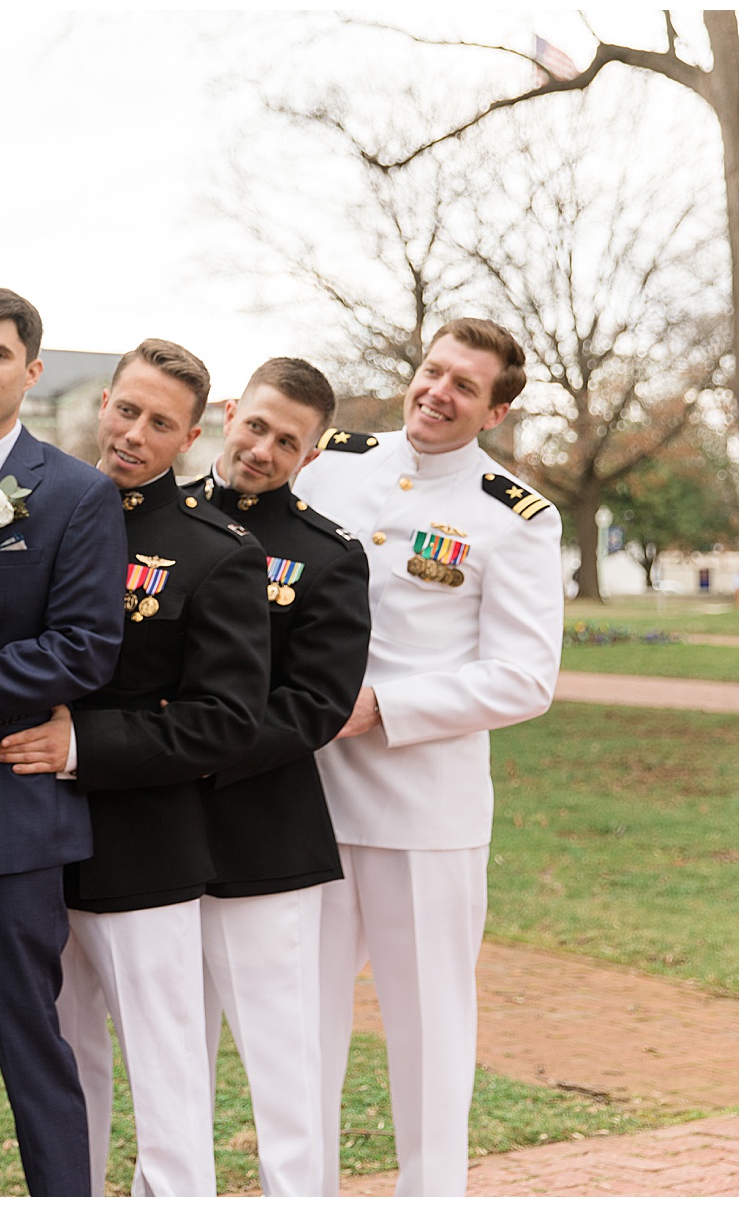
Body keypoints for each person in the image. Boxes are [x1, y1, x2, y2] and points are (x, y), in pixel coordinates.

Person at [296, 318, 562, 1196]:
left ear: (497, 409)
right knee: (301, 1021)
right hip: (311, 795)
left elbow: (525, 678)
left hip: (424, 808)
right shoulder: (331, 463)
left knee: (428, 1031)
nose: (437, 393)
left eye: (464, 386)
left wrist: (386, 707)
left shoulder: (514, 517)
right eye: (432, 371)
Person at [7, 338, 269, 1196]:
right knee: (63, 1064)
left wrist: (81, 743)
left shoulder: (214, 549)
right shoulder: (27, 507)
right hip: (30, 842)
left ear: (191, 438)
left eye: (162, 423)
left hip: (143, 849)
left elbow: (226, 720)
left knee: (166, 1072)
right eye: (127, 409)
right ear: (104, 401)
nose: (134, 434)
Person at [0, 288, 125, 1196]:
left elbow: (87, 645)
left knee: (30, 1047)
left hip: (9, 810)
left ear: (30, 372)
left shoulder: (76, 494)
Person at [186, 358, 371, 1196]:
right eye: (256, 426)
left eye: (287, 441)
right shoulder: (156, 517)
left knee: (284, 1065)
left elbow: (316, 706)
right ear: (231, 411)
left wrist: (186, 748)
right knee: (169, 1056)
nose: (263, 449)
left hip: (264, 835)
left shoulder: (327, 556)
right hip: (148, 835)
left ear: (312, 452)